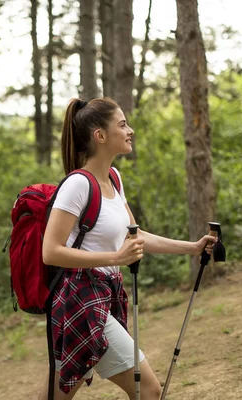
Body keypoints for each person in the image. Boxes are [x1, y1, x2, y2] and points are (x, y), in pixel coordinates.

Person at [38, 98, 216, 400]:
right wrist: (115, 257)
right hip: (80, 302)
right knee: (148, 388)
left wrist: (193, 248)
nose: (130, 130)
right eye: (122, 124)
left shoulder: (114, 178)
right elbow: (50, 251)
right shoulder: (77, 185)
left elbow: (136, 236)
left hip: (103, 297)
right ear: (100, 135)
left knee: (54, 396)